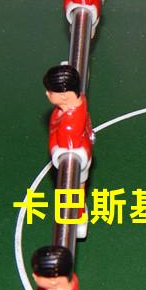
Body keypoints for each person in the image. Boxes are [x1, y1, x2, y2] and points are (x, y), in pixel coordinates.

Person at [43, 64, 93, 238]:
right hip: (84, 148)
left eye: (50, 91)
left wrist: (57, 153)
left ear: (64, 95)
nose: (47, 94)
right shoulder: (78, 101)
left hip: (79, 159)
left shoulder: (69, 128)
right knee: (78, 188)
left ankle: (78, 217)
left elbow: (63, 147)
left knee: (74, 191)